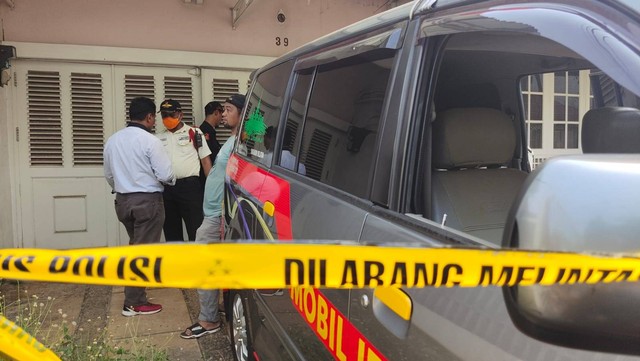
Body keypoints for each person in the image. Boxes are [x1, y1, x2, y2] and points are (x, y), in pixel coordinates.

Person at [181, 93, 245, 339]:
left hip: (218, 215)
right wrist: (201, 147)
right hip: (213, 212)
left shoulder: (241, 142)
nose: (224, 113)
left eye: (229, 109)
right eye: (223, 109)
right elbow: (214, 173)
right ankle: (215, 311)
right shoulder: (231, 140)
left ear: (241, 114)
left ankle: (208, 321)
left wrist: (225, 215)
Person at [103, 96, 176, 317]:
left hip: (123, 202)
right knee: (142, 253)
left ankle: (137, 290)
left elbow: (109, 175)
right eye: (154, 117)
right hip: (147, 202)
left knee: (136, 246)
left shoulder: (113, 140)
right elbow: (166, 174)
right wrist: (170, 180)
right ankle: (134, 302)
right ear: (149, 116)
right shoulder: (150, 141)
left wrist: (124, 186)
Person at [156, 99, 212, 242]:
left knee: (196, 230)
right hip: (167, 189)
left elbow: (206, 162)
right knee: (171, 233)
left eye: (171, 114)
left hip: (190, 188)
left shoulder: (194, 132)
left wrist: (211, 189)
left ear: (180, 115)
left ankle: (197, 262)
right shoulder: (158, 138)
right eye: (164, 116)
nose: (167, 119)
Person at [198, 101, 224, 187]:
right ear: (216, 112)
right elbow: (208, 159)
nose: (222, 117)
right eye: (222, 113)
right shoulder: (205, 132)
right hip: (207, 181)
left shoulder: (209, 131)